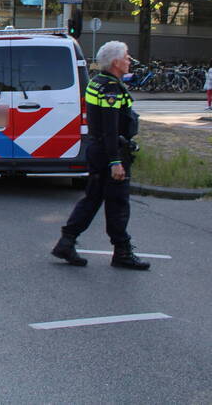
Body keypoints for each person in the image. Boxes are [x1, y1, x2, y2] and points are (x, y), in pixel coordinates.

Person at [52, 41, 150, 270]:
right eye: (126, 57)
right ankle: (122, 252)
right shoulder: (110, 89)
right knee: (117, 204)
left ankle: (66, 242)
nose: (129, 60)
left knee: (93, 198)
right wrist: (116, 161)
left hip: (98, 150)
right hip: (110, 152)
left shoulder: (98, 82)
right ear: (116, 63)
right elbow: (110, 128)